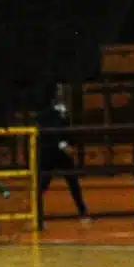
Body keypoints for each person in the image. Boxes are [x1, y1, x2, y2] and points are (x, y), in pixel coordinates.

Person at [37, 84, 90, 224]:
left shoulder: (63, 108)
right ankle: (37, 216)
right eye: (58, 90)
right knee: (42, 184)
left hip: (63, 153)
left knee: (73, 182)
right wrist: (63, 145)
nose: (61, 93)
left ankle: (83, 211)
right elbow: (49, 129)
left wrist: (70, 144)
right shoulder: (45, 111)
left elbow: (65, 129)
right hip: (49, 151)